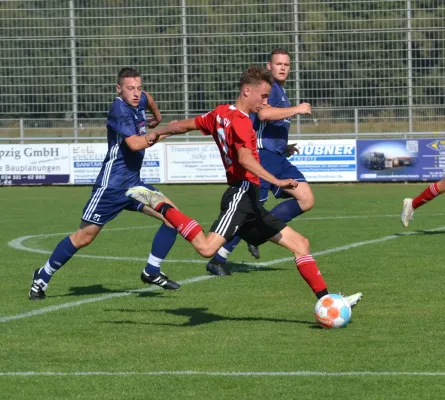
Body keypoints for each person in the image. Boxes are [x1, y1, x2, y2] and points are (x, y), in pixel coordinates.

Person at [126, 65, 363, 307]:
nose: (265, 102)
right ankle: (161, 205)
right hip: (240, 195)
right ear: (247, 91)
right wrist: (277, 181)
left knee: (300, 244)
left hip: (251, 200)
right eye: (263, 96)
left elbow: (185, 125)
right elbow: (245, 159)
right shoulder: (241, 123)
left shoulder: (220, 113)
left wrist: (160, 133)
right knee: (207, 248)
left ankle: (327, 302)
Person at [29, 67, 181, 300]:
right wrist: (165, 130)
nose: (136, 93)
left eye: (138, 87)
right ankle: (42, 276)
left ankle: (151, 270)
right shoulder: (119, 109)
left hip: (134, 186)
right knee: (85, 236)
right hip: (111, 187)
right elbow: (135, 145)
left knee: (173, 218)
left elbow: (148, 98)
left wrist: (157, 115)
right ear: (118, 89)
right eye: (130, 88)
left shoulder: (139, 100)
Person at [205, 48, 314, 276]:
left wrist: (283, 146)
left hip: (277, 157)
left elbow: (266, 125)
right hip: (263, 158)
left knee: (306, 199)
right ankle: (218, 258)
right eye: (278, 64)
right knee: (248, 211)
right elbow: (264, 115)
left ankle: (259, 234)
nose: (283, 67)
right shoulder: (270, 90)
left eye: (286, 64)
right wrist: (298, 109)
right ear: (269, 66)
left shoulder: (281, 93)